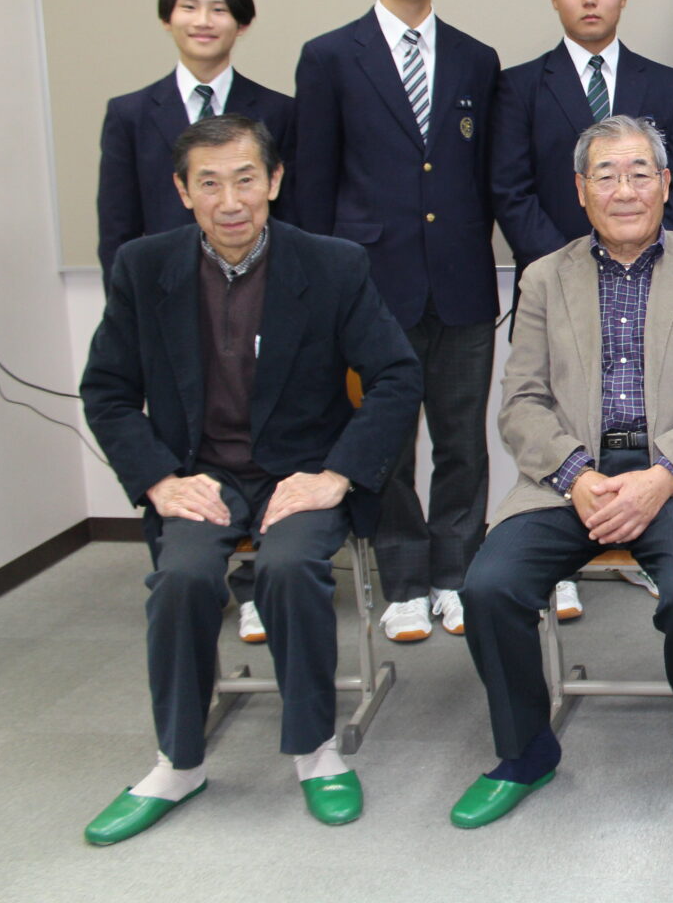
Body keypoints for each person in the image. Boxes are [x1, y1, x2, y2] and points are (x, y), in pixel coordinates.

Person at [80, 114, 421, 845]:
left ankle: (314, 749)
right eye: (209, 184)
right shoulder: (145, 268)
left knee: (293, 567)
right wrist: (160, 482)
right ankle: (178, 759)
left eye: (245, 179)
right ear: (182, 191)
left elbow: (396, 376)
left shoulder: (331, 264)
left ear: (273, 181)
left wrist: (337, 476)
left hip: (297, 473)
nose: (230, 200)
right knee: (183, 578)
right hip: (198, 476)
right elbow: (106, 391)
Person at [451, 115, 673, 831]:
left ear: (666, 185)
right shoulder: (543, 278)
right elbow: (521, 402)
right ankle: (525, 752)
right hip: (566, 481)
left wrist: (660, 476)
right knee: (487, 589)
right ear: (582, 191)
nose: (625, 191)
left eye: (640, 174)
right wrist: (578, 478)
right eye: (608, 176)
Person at [291, 0, 503, 642]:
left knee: (461, 440)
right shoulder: (328, 58)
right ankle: (404, 579)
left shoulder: (479, 61)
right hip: (367, 289)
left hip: (461, 283)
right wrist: (317, 292)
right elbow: (311, 187)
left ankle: (455, 571)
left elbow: (484, 183)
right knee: (383, 442)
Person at [492, 0, 673, 618]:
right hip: (559, 295)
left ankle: (650, 542)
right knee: (558, 413)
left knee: (646, 415)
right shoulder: (520, 86)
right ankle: (562, 555)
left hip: (653, 293)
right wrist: (573, 270)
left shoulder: (664, 85)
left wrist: (634, 258)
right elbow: (511, 191)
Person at [97, 0, 298, 643]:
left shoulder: (277, 111)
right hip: (168, 313)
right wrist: (132, 314)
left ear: (241, 22)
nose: (203, 20)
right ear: (167, 18)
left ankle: (257, 584)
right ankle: (189, 575)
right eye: (190, 6)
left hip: (261, 306)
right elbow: (115, 226)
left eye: (219, 8)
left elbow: (299, 229)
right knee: (185, 445)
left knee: (261, 435)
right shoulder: (130, 113)